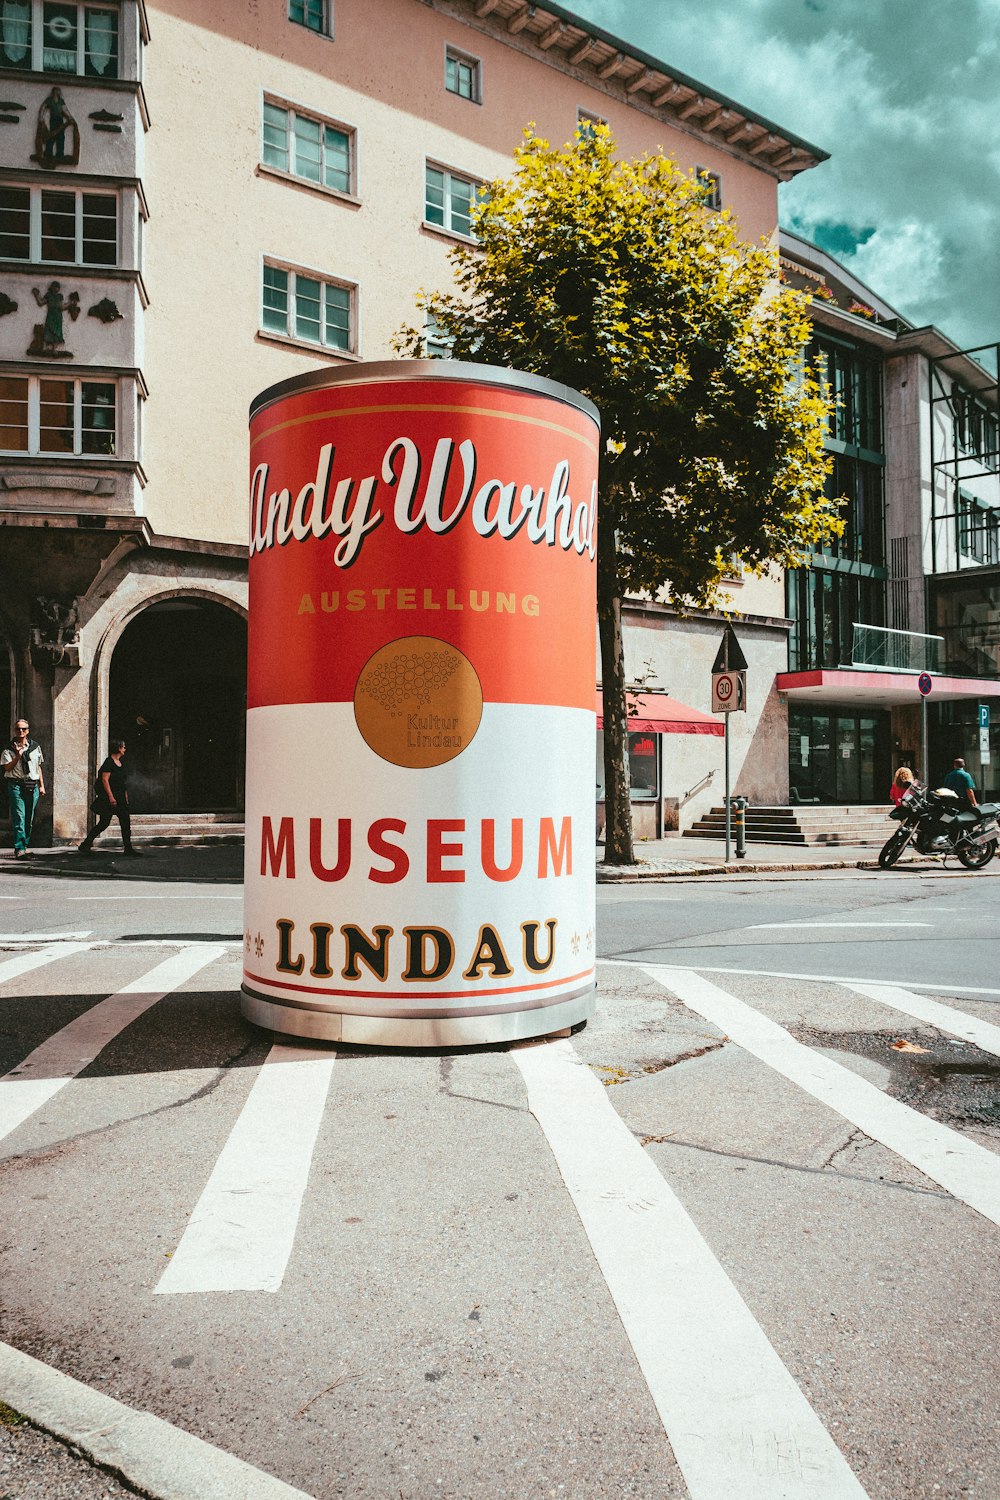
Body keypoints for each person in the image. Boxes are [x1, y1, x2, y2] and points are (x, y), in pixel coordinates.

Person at [79, 738, 141, 856]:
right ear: (118, 748)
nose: (125, 749)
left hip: (120, 796)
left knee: (125, 822)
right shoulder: (109, 762)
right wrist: (111, 797)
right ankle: (85, 844)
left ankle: (128, 848)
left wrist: (125, 795)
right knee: (104, 823)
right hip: (110, 798)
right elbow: (104, 780)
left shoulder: (121, 763)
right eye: (123, 747)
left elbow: (122, 782)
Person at [2, 718, 46, 858]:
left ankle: (25, 845)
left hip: (31, 783)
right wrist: (18, 756)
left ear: (28, 731)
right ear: (14, 731)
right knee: (19, 816)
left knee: (29, 817)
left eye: (24, 729)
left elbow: (38, 767)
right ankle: (19, 848)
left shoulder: (35, 747)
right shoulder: (9, 748)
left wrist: (42, 786)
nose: (21, 731)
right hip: (16, 783)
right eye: (18, 729)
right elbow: (7, 768)